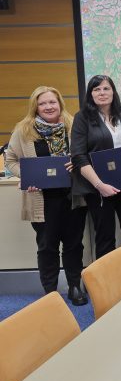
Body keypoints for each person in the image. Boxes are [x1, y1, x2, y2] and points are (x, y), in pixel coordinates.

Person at [5, 86, 88, 305]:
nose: (48, 106)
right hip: (41, 200)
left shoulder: (74, 125)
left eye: (52, 102)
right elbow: (10, 160)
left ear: (60, 103)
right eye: (42, 103)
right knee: (47, 246)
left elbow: (87, 154)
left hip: (73, 196)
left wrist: (78, 164)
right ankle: (50, 292)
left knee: (74, 244)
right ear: (35, 107)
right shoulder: (23, 130)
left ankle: (74, 286)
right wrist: (27, 176)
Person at [71, 75, 121, 259]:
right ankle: (106, 278)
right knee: (105, 237)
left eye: (106, 88)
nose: (102, 93)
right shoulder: (82, 118)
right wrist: (99, 185)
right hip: (98, 189)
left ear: (113, 92)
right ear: (90, 94)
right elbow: (78, 156)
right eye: (96, 89)